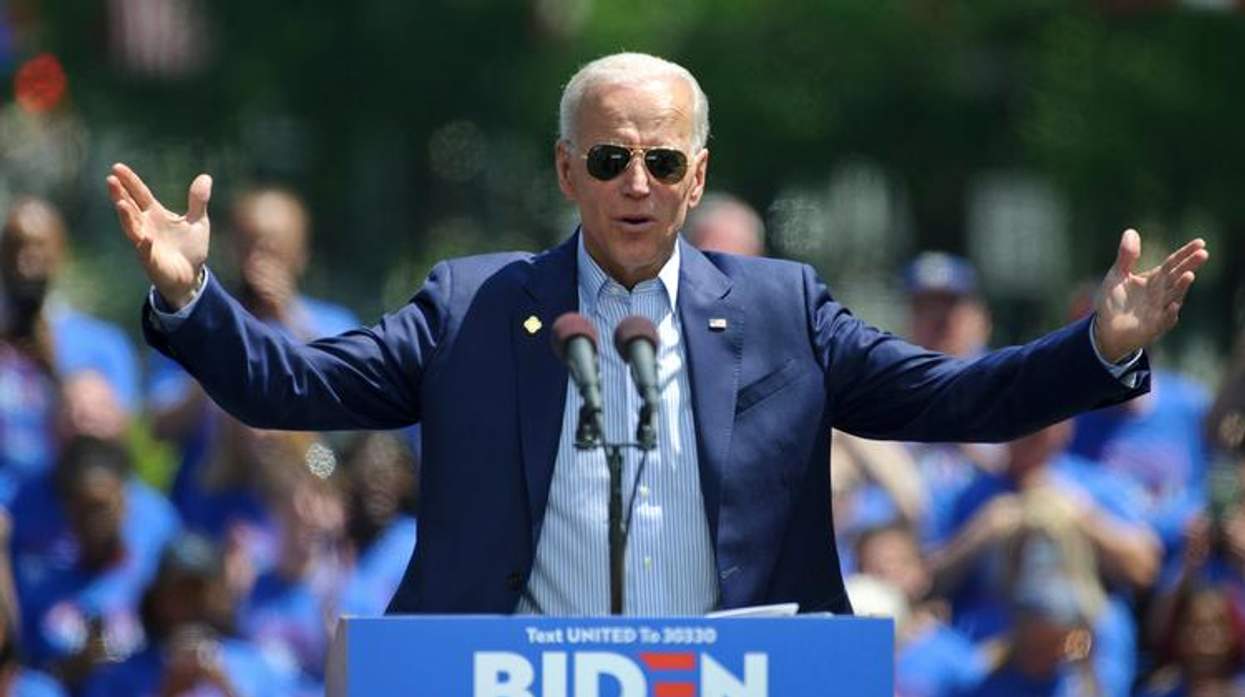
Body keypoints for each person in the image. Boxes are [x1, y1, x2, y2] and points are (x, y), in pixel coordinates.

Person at [105, 52, 1209, 616]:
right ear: (563, 172)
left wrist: (1098, 348)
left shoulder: (784, 312)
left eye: (663, 161)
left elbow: (955, 399)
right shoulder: (473, 305)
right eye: (608, 158)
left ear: (699, 179)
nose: (636, 182)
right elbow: (289, 385)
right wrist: (193, 300)